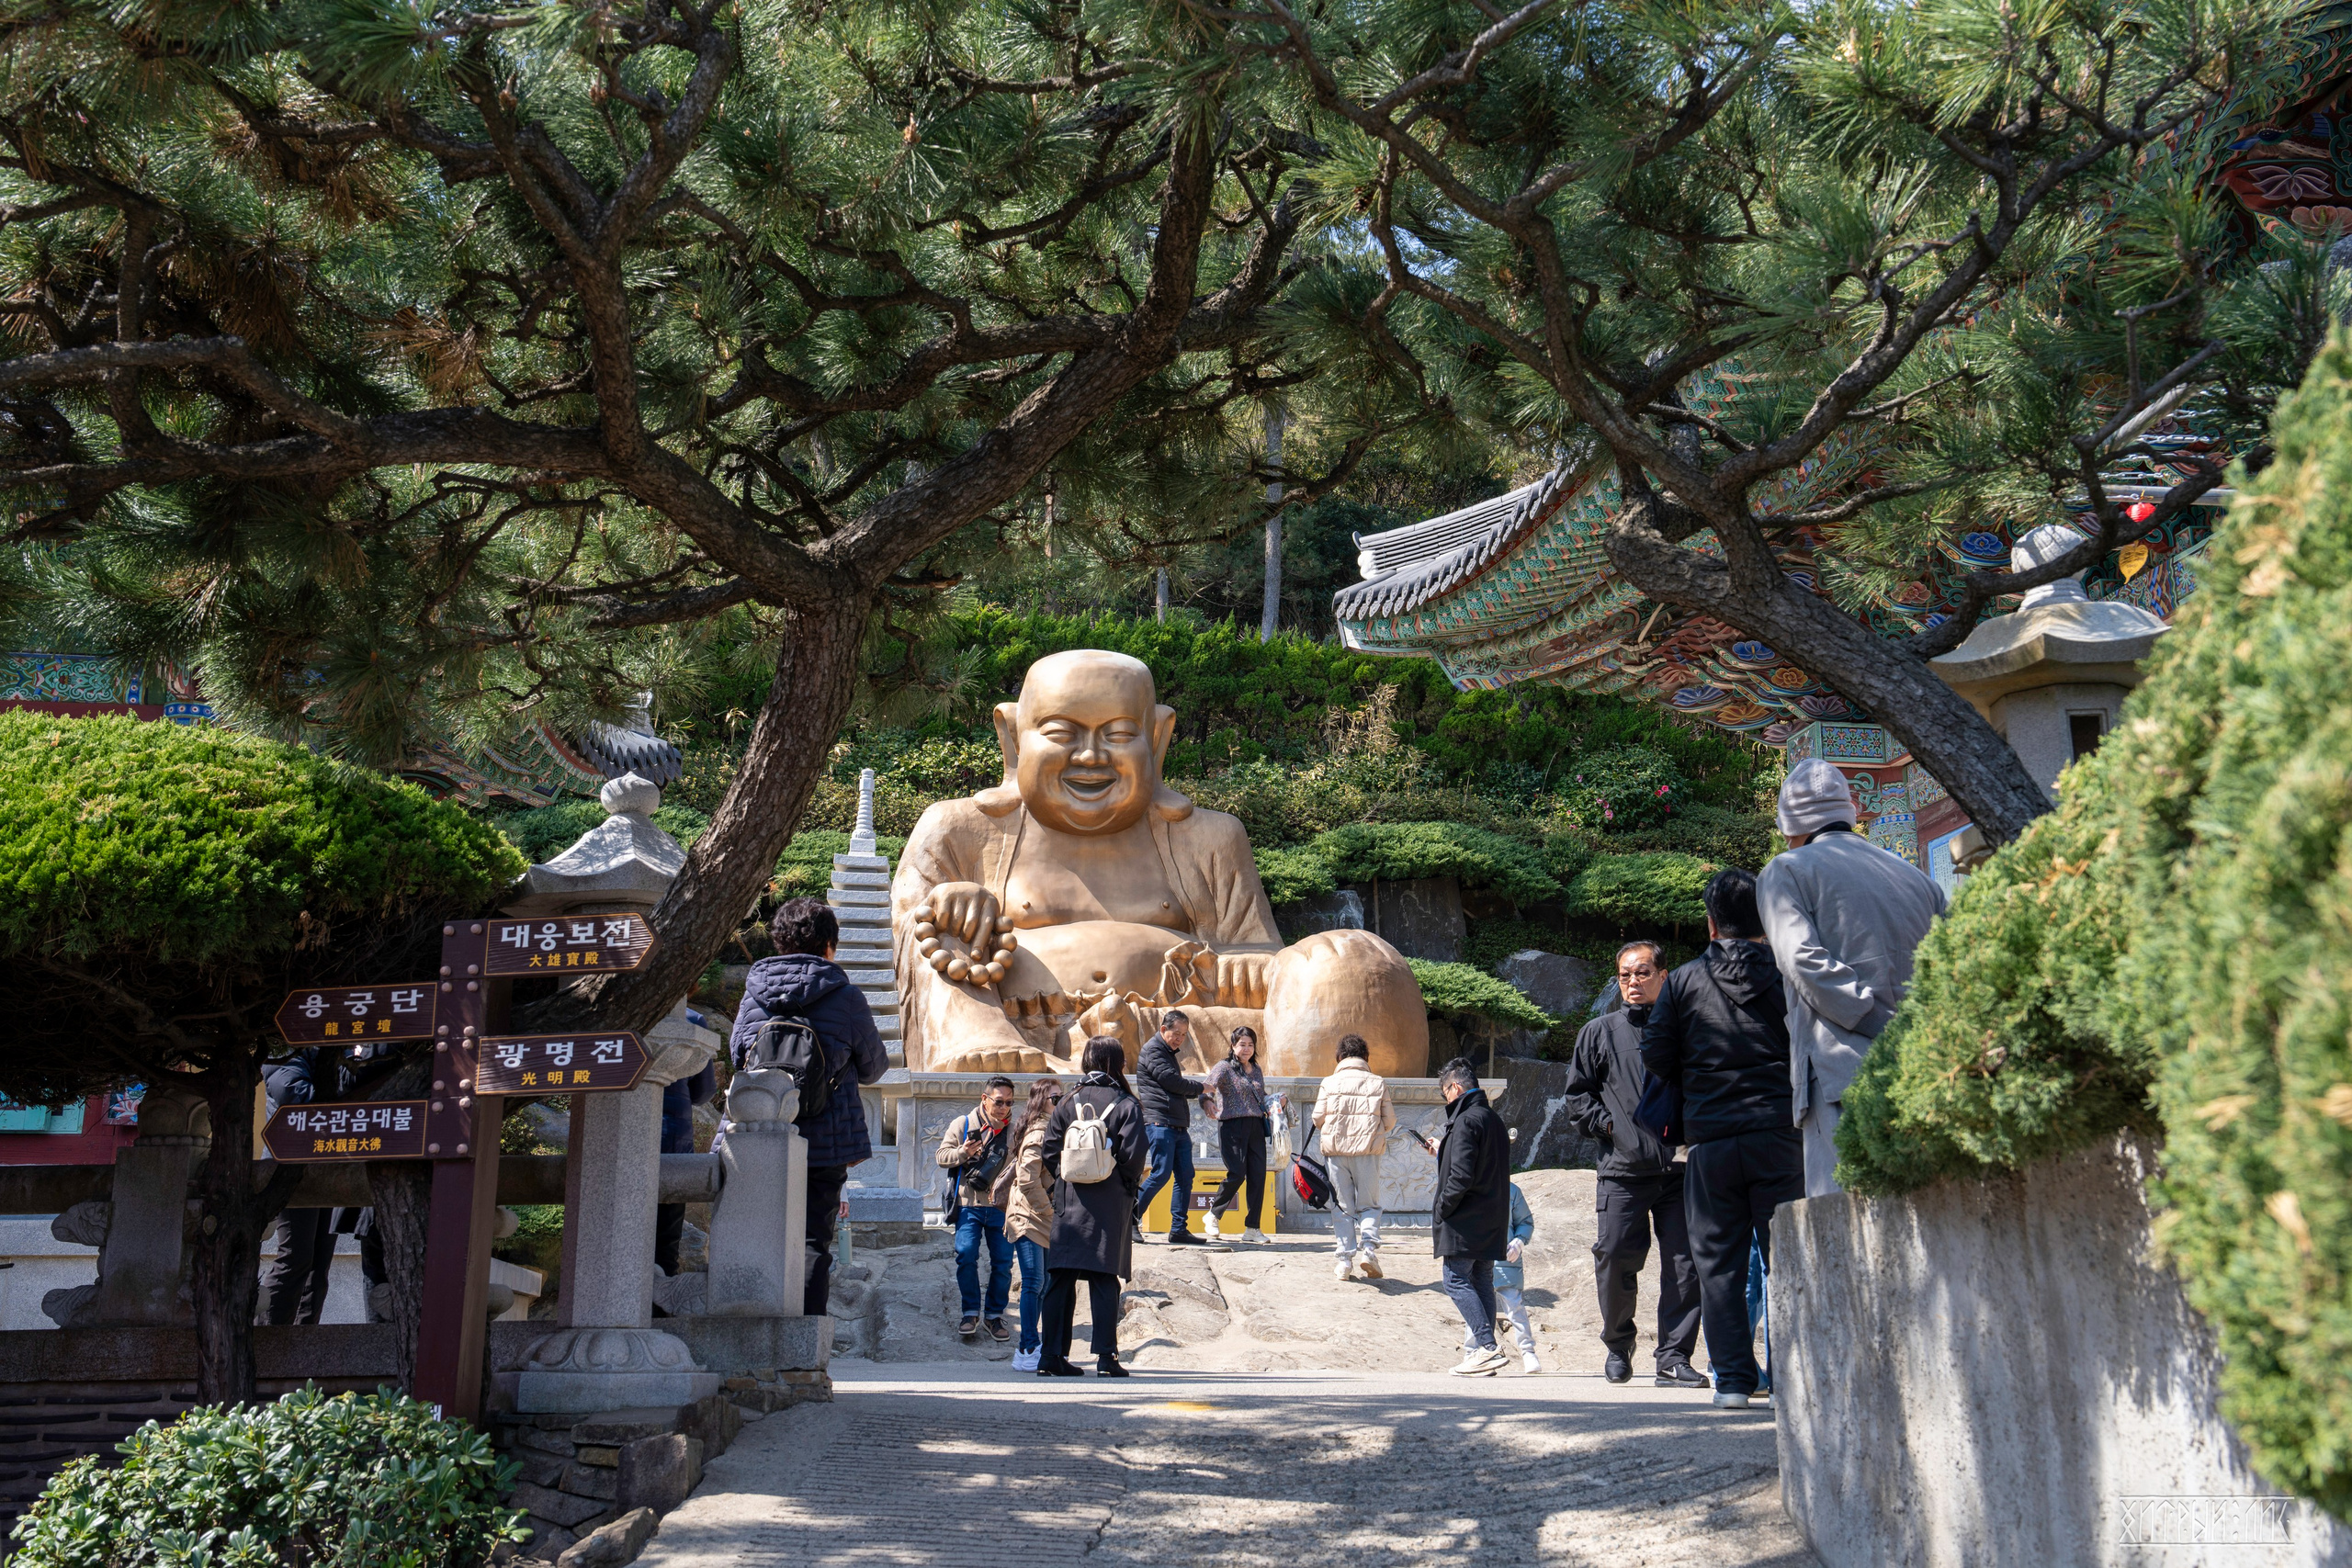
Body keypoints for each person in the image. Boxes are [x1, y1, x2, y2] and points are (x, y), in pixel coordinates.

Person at [1640, 869, 1804, 1409]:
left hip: (1710, 1141)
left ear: (1711, 925)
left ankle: (1732, 1380)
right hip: (1779, 1133)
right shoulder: (1786, 972)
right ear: (1765, 919)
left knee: (1718, 1264)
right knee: (1790, 1261)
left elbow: (1658, 1055)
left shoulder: (1684, 981)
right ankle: (1794, 1378)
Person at [1757, 756, 1948, 1197]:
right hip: (1925, 1067)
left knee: (1846, 1218)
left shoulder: (1786, 871)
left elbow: (1803, 959)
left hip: (1840, 1066)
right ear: (1851, 811)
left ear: (1790, 824)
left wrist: (1872, 1020)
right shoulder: (1918, 879)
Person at [729, 896, 891, 1317]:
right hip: (824, 1138)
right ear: (830, 946)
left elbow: (736, 1056)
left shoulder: (754, 995)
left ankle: (750, 1335)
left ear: (778, 941)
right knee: (811, 1241)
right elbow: (874, 1069)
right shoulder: (847, 997)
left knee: (755, 1233)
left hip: (758, 1136)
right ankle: (803, 1354)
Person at [1563, 941, 1705, 1388]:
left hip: (1680, 1172)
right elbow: (1576, 1097)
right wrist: (1610, 1129)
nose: (1632, 983)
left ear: (1664, 976)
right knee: (1615, 1259)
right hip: (1622, 1172)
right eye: (1625, 975)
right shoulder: (1598, 1032)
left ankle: (1673, 1358)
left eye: (1642, 973)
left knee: (1686, 1265)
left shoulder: (1689, 1029)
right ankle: (1618, 1345)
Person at [1037, 1036, 1150, 1376]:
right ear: (1116, 1062)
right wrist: (1123, 1186)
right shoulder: (1125, 1104)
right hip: (1109, 1202)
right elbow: (1135, 1156)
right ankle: (1105, 1358)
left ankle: (1050, 1357)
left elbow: (1049, 1150)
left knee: (1059, 1280)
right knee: (1104, 1280)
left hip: (1069, 1202)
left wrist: (1068, 1178)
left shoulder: (1067, 1101)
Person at [1431, 1055, 1512, 1376]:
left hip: (1465, 1219)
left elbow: (1461, 1175)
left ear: (1454, 1087)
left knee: (1454, 1279)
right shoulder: (1492, 1119)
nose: (1445, 1099)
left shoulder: (1465, 1121)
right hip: (1491, 1217)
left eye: (1444, 1093)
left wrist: (1442, 1207)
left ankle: (1487, 1347)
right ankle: (1484, 1352)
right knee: (1481, 1280)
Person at [937, 1074, 1020, 1343]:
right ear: (985, 1100)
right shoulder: (963, 1124)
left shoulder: (1015, 1130)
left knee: (1003, 1263)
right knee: (965, 1255)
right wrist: (963, 1152)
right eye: (998, 1102)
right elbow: (942, 1157)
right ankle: (970, 1312)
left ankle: (994, 1316)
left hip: (1001, 1206)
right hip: (968, 1204)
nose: (1003, 1108)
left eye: (1009, 1102)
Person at [1312, 1033, 1398, 1280]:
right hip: (1368, 1153)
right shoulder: (1378, 1082)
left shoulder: (1329, 1083)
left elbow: (1317, 1119)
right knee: (1369, 1205)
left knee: (1342, 1207)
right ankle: (1369, 1250)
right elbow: (1390, 1120)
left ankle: (1344, 1261)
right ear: (1365, 1056)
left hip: (1337, 1154)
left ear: (1339, 1057)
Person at [1004, 1077, 1066, 1372]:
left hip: (1040, 1216)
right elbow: (1027, 1180)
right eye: (1055, 1098)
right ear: (1041, 1101)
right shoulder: (1039, 1132)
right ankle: (1027, 1346)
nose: (1060, 1102)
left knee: (1042, 1285)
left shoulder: (1051, 1128)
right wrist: (1049, 1211)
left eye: (1061, 1097)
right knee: (1033, 1283)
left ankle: (1032, 1344)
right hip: (1028, 1217)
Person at [1133, 1010, 1205, 1246]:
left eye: (1184, 1035)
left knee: (1186, 1176)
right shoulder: (1153, 1050)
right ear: (1163, 1029)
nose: (1179, 1039)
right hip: (1159, 1122)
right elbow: (1170, 1082)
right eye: (1177, 1033)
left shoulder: (1168, 1051)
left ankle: (1178, 1229)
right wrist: (1202, 1088)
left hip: (1176, 1124)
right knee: (1161, 1172)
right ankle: (1130, 1221)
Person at [1463, 1179, 1544, 1373]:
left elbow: (1525, 1222)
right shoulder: (1471, 1187)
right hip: (1479, 1258)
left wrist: (1519, 1241)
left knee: (1515, 1307)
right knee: (1476, 1309)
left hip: (1506, 1259)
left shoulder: (1512, 1191)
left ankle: (1528, 1352)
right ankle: (1472, 1351)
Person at [1203, 1026, 1273, 1243]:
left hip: (1255, 1126)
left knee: (1258, 1176)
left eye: (1250, 1044)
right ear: (1233, 1046)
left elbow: (1260, 1095)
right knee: (1237, 1172)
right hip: (1232, 1126)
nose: (1247, 1049)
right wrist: (1206, 1101)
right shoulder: (1224, 1067)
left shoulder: (1257, 1069)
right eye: (1242, 1044)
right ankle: (1213, 1215)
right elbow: (1207, 1087)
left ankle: (1253, 1228)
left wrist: (1275, 1101)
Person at [656, 1050, 719, 1278]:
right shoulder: (692, 1020)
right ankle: (658, 1306)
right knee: (666, 1239)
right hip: (673, 1143)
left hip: (618, 1143)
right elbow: (704, 1091)